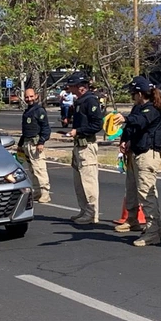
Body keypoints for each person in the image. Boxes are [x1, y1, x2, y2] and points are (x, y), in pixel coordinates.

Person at [113, 76, 161, 246]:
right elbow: (134, 128)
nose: (131, 96)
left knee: (146, 193)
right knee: (137, 190)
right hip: (137, 153)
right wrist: (125, 140)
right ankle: (149, 226)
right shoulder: (139, 107)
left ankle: (152, 232)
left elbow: (140, 121)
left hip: (147, 155)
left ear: (140, 93)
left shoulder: (152, 109)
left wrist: (126, 119)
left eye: (133, 93)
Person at [67, 72, 103, 224]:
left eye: (73, 86)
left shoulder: (90, 101)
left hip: (87, 145)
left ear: (81, 87)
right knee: (79, 181)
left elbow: (97, 125)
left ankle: (91, 213)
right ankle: (83, 210)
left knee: (88, 181)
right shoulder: (79, 101)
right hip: (78, 144)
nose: (71, 90)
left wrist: (79, 131)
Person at [17, 87, 52, 203]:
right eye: (27, 97)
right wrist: (20, 145)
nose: (29, 99)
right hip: (27, 144)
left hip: (36, 145)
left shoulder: (39, 111)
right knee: (33, 170)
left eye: (31, 96)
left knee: (40, 169)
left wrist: (41, 142)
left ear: (36, 96)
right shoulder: (27, 112)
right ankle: (37, 192)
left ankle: (45, 193)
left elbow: (46, 129)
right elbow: (25, 131)